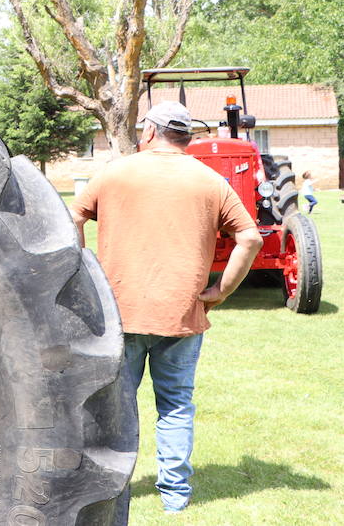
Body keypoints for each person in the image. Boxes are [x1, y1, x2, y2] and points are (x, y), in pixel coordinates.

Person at [71, 101, 262, 514]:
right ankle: (174, 497)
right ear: (185, 137)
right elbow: (250, 238)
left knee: (114, 410)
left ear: (150, 131)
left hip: (119, 313)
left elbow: (73, 218)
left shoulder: (115, 172)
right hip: (182, 313)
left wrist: (85, 279)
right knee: (175, 406)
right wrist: (222, 290)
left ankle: (110, 490)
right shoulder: (210, 181)